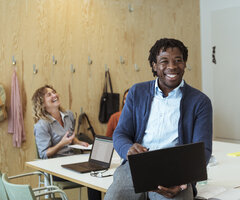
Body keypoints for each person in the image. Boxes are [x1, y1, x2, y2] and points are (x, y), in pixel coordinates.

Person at [105, 38, 213, 200]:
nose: (172, 66)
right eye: (164, 61)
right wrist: (128, 149)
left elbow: (203, 150)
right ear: (154, 66)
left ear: (184, 64)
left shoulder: (200, 101)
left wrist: (184, 182)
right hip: (137, 166)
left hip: (176, 170)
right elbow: (120, 133)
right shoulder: (137, 92)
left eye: (178, 60)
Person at [32, 85, 102, 200]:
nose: (54, 95)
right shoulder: (42, 125)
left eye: (54, 92)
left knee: (95, 172)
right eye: (49, 95)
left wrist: (78, 142)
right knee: (92, 175)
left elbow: (70, 136)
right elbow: (44, 154)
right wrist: (62, 143)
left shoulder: (68, 115)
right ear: (42, 103)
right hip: (55, 169)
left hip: (72, 162)